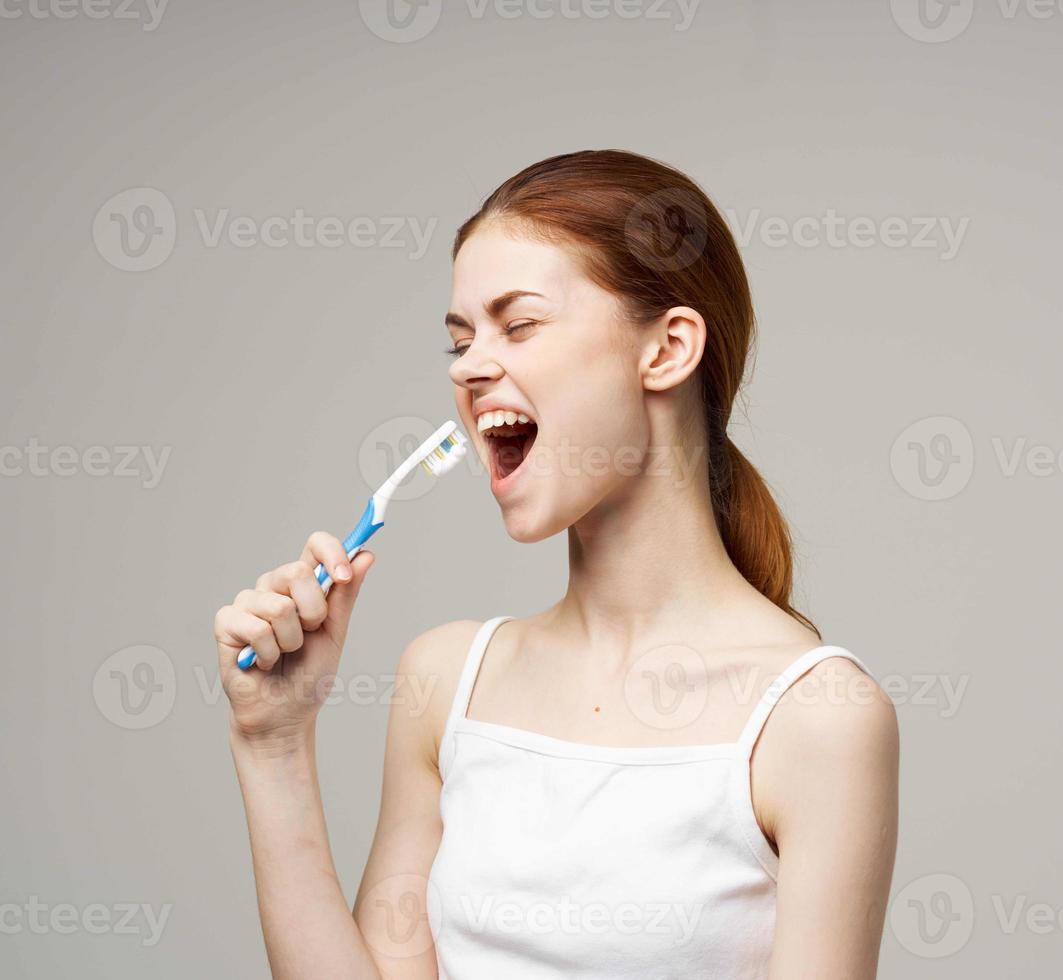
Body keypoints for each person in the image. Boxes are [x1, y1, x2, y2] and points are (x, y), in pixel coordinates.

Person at [214, 149, 900, 979]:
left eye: (520, 324)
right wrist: (273, 742)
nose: (469, 367)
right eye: (460, 341)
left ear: (666, 350)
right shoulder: (446, 680)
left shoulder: (817, 715)